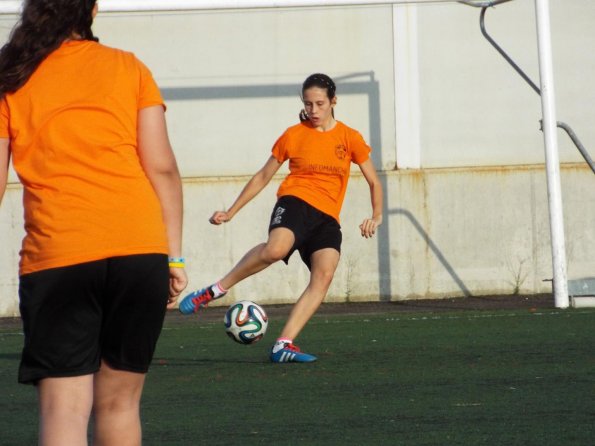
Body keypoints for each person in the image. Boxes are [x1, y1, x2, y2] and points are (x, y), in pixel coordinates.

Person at [0, 1, 187, 444]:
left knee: (65, 411)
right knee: (119, 405)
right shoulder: (129, 68)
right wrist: (174, 257)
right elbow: (161, 168)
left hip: (60, 254)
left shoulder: (12, 74)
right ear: (93, 11)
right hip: (140, 251)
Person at [179, 73, 383, 363]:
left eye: (320, 104)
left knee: (323, 275)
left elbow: (374, 182)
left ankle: (283, 344)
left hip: (327, 218)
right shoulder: (293, 135)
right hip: (295, 202)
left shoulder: (350, 138)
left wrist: (376, 216)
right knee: (275, 249)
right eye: (308, 104)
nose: (313, 110)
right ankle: (215, 290)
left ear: (334, 101)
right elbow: (264, 175)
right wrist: (232, 210)